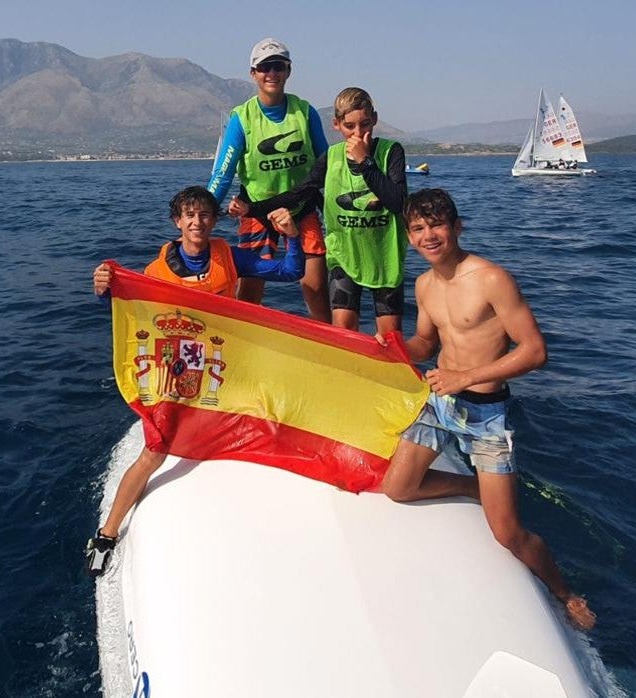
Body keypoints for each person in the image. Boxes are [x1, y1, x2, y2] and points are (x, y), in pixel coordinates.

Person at [377, 188, 597, 631]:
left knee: (507, 534)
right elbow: (426, 343)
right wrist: (389, 346)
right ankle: (473, 487)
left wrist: (466, 377)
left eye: (436, 224)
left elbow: (535, 351)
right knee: (397, 488)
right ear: (409, 237)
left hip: (487, 414)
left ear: (457, 227)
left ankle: (565, 592)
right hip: (441, 401)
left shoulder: (491, 279)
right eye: (418, 229)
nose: (428, 235)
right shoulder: (423, 284)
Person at [85, 185, 304, 576]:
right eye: (189, 215)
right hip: (180, 365)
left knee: (263, 419)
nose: (197, 222)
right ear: (177, 222)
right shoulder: (157, 272)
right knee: (156, 450)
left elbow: (290, 271)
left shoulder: (229, 257)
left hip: (225, 358)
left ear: (213, 220)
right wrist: (104, 289)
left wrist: (291, 238)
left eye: (204, 215)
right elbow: (126, 305)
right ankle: (106, 533)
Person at [237, 87, 408, 335]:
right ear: (337, 124)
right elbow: (300, 192)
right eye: (350, 126)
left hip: (384, 258)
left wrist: (365, 163)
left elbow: (398, 203)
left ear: (375, 119)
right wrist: (251, 209)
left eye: (365, 124)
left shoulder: (391, 153)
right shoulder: (331, 158)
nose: (359, 134)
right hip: (344, 256)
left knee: (390, 336)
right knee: (344, 329)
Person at [206, 37, 331, 322]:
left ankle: (329, 343)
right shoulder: (242, 119)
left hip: (301, 208)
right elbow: (223, 173)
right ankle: (243, 341)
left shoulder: (305, 112)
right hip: (257, 211)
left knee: (313, 285)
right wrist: (203, 213)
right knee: (250, 288)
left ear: (288, 70)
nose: (271, 73)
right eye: (264, 67)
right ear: (253, 73)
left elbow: (327, 163)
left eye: (278, 66)